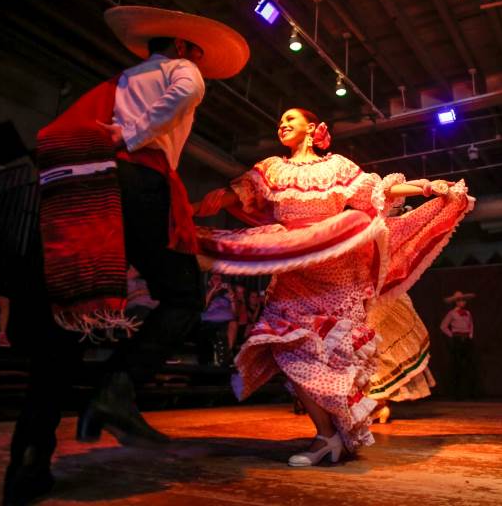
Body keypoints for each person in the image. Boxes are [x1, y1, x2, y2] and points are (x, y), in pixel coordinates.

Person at [3, 5, 249, 506]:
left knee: (71, 317)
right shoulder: (181, 70)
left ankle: (28, 461)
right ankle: (118, 386)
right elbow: (190, 90)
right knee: (182, 297)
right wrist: (134, 136)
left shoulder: (120, 82)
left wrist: (121, 132)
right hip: (139, 180)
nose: (199, 65)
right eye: (195, 54)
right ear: (180, 46)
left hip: (88, 183)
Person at [193, 107, 474, 466]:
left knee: (330, 354)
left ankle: (329, 437)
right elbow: (234, 195)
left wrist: (424, 187)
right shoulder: (270, 169)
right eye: (279, 120)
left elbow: (377, 192)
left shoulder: (337, 166)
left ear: (311, 128)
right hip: (294, 270)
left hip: (337, 271)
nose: (282, 124)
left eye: (290, 119)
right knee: (284, 347)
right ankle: (328, 435)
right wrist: (190, 209)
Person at [367, 291, 435, 423]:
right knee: (378, 353)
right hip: (383, 299)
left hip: (377, 301)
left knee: (373, 352)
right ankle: (380, 406)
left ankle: (378, 406)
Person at [440, 290, 476, 400]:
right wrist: (453, 336)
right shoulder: (452, 313)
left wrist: (470, 336)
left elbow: (471, 325)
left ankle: (466, 393)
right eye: (460, 300)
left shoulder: (468, 313)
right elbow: (443, 326)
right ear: (456, 302)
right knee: (456, 366)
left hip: (466, 341)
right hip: (457, 340)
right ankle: (455, 394)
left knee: (467, 366)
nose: (463, 302)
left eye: (464, 300)